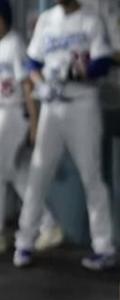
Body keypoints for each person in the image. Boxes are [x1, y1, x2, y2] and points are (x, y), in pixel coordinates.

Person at [12, 0, 114, 270]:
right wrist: (40, 84)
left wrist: (74, 71)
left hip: (83, 104)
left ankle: (104, 247)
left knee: (92, 176)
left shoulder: (92, 19)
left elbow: (103, 63)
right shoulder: (47, 20)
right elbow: (31, 62)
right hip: (51, 105)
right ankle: (24, 241)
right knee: (38, 173)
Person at [0, 0, 63, 254]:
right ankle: (48, 224)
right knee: (17, 175)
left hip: (13, 114)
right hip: (3, 112)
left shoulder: (14, 44)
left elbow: (28, 86)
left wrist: (35, 124)